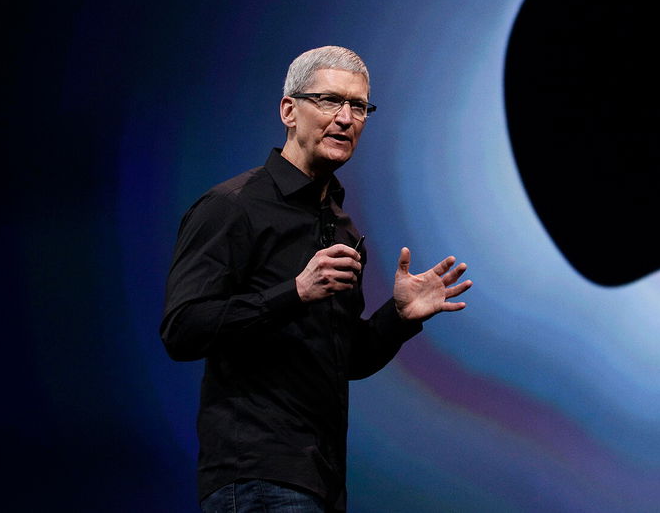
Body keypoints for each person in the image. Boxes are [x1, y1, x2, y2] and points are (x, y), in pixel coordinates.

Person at [161, 46, 472, 512]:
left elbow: (342, 360)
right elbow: (182, 330)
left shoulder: (341, 227)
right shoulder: (232, 207)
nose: (346, 118)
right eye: (329, 101)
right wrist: (295, 292)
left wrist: (400, 317)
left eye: (358, 106)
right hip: (256, 473)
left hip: (322, 481)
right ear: (289, 110)